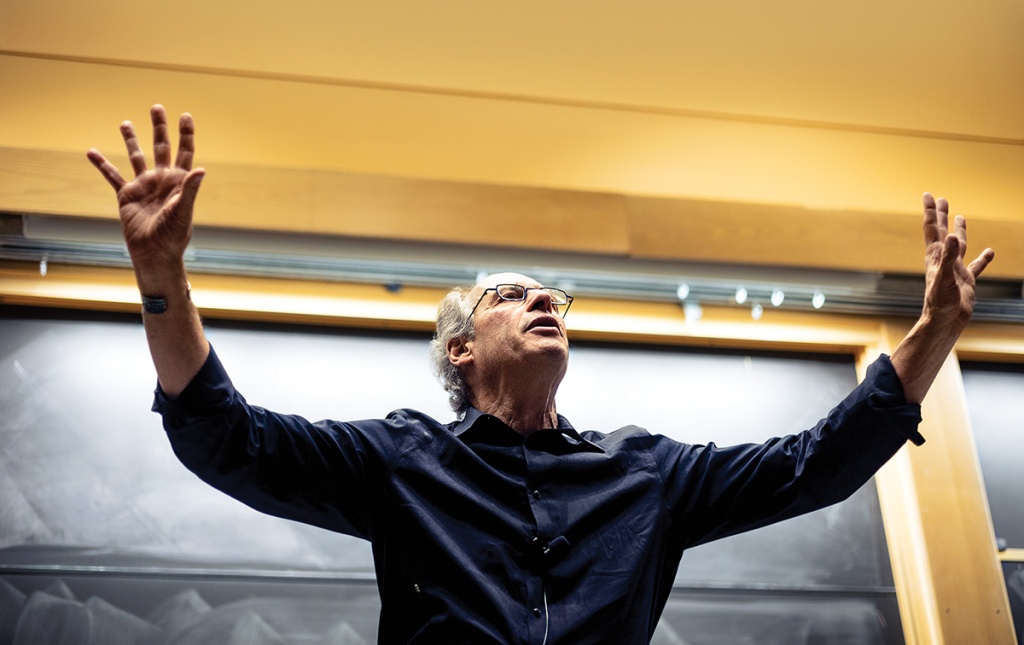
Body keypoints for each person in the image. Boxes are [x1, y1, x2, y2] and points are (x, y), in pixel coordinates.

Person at [87, 105, 994, 644]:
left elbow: (815, 463)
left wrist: (934, 332)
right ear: (461, 350)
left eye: (552, 293)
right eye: (511, 296)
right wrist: (161, 276)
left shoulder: (648, 472)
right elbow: (225, 438)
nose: (543, 300)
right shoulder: (402, 458)